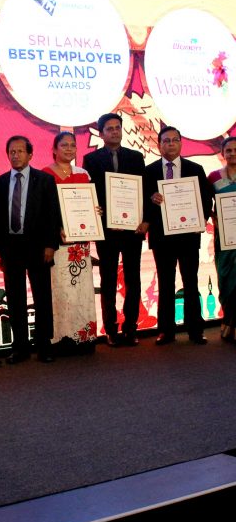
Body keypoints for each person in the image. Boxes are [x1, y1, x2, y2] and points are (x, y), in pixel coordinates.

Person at [0, 136, 61, 363]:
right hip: (10, 247)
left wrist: (51, 244)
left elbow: (53, 214)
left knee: (42, 297)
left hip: (39, 247)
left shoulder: (45, 180)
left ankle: (44, 345)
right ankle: (20, 347)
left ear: (30, 155)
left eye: (20, 151)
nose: (15, 155)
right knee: (15, 298)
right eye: (12, 151)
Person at [83, 112, 148, 347]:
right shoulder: (91, 159)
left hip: (133, 230)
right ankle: (110, 329)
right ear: (101, 134)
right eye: (109, 129)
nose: (114, 132)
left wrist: (145, 220)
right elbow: (90, 192)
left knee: (133, 280)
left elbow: (144, 191)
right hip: (106, 230)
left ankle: (131, 328)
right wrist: (95, 210)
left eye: (117, 127)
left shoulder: (136, 157)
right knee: (108, 280)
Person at [146, 126, 211, 345]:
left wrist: (201, 220)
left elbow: (206, 199)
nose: (171, 144)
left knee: (191, 282)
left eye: (175, 140)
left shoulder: (196, 169)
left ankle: (195, 330)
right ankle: (166, 331)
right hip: (162, 237)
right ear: (159, 145)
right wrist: (151, 198)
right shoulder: (149, 171)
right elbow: (142, 202)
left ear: (181, 143)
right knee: (165, 284)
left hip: (188, 236)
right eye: (166, 140)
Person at [42, 132, 97, 354]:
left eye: (72, 145)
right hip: (58, 244)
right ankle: (60, 338)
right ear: (54, 149)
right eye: (63, 145)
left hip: (80, 245)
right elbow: (44, 210)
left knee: (82, 290)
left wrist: (96, 212)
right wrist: (56, 229)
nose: (68, 148)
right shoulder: (45, 174)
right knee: (60, 291)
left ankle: (84, 337)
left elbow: (90, 204)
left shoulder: (83, 174)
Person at [208, 136, 236, 343]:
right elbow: (202, 202)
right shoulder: (213, 177)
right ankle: (228, 322)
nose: (233, 154)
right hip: (225, 238)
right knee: (226, 279)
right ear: (222, 154)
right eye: (229, 150)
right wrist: (214, 218)